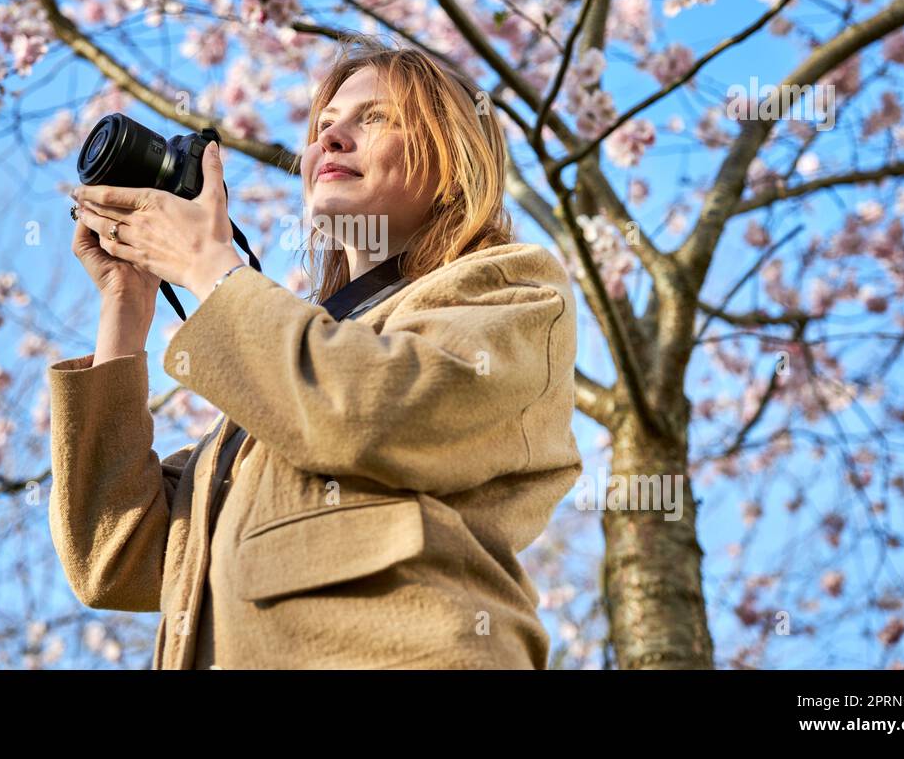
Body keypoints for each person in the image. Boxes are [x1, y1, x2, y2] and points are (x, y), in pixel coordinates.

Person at [48, 39, 582, 669]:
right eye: (324, 124)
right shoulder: (264, 410)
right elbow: (114, 558)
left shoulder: (514, 289)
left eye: (375, 117)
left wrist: (206, 265)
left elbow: (373, 413)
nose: (331, 137)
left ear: (454, 157)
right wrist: (126, 305)